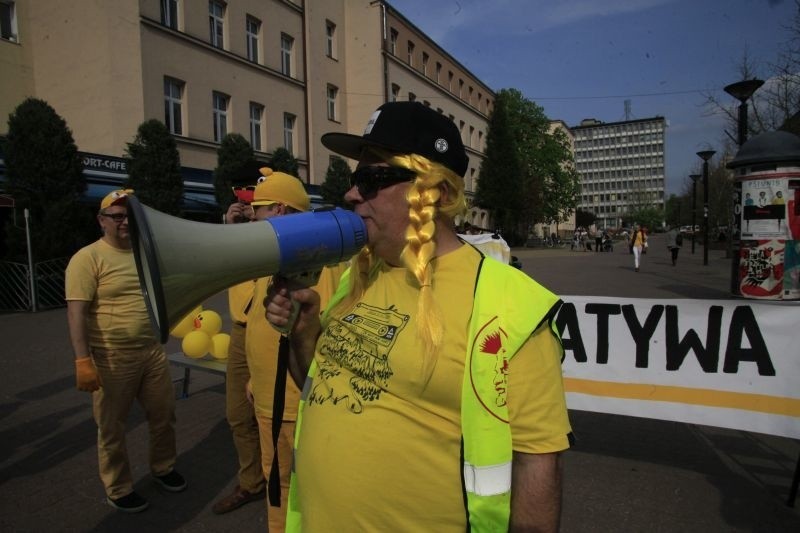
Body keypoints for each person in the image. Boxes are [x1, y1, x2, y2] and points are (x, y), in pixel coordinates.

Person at [264, 101, 572, 531]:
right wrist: (303, 331)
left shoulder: (511, 305)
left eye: (374, 178)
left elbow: (537, 464)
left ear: (440, 193)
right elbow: (320, 387)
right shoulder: (357, 274)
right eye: (357, 178)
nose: (353, 193)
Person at [66, 189, 186, 513]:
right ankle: (118, 488)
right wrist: (82, 360)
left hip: (151, 352)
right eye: (116, 216)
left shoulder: (144, 252)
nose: (123, 222)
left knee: (164, 415)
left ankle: (163, 468)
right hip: (111, 356)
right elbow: (76, 312)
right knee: (112, 428)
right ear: (101, 220)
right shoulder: (87, 258)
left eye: (129, 217)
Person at [242, 168, 347, 531]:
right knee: (278, 488)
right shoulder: (270, 256)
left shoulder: (320, 260)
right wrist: (256, 379)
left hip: (294, 405)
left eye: (259, 209)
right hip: (269, 400)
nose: (252, 217)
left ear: (281, 212)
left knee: (297, 491)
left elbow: (325, 336)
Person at [212, 178, 267, 515]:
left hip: (268, 329)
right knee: (237, 415)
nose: (250, 210)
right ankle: (251, 482)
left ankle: (281, 479)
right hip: (239, 332)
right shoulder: (238, 233)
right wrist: (230, 228)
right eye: (247, 204)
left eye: (256, 205)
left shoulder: (276, 233)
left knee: (274, 415)